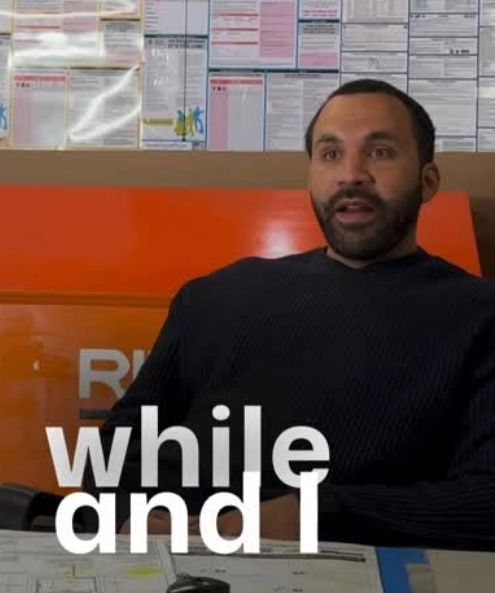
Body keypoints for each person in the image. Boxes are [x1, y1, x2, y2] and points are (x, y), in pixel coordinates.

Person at [82, 78, 495, 550]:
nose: (351, 175)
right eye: (330, 154)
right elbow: (117, 452)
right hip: (175, 564)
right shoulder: (214, 297)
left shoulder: (478, 316)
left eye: (380, 152)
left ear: (428, 180)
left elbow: (484, 502)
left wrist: (311, 515)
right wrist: (130, 518)